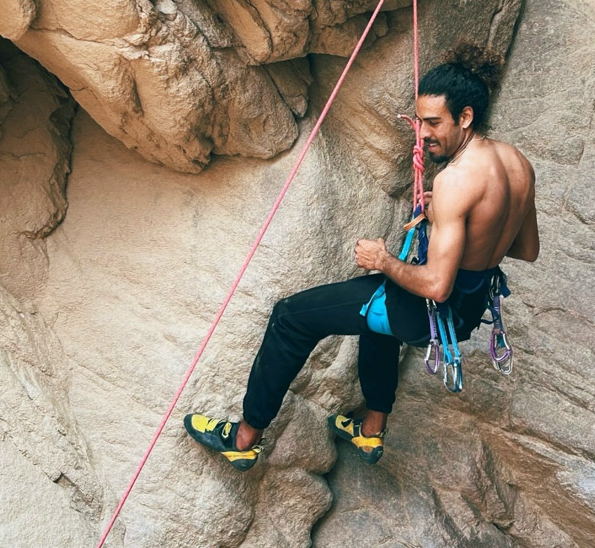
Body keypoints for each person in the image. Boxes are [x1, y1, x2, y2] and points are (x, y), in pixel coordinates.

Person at [184, 41, 539, 470]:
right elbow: (527, 249)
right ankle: (370, 430)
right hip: (467, 312)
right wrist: (462, 227)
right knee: (376, 316)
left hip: (428, 312)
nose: (422, 135)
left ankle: (244, 438)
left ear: (465, 117)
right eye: (418, 122)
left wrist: (383, 260)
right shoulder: (517, 164)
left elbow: (436, 286)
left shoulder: (456, 180)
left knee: (291, 317)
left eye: (433, 123)